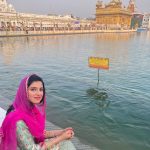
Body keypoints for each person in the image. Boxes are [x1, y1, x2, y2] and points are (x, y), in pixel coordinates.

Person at [0, 74, 76, 150]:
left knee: (65, 142)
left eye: (41, 89)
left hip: (35, 145)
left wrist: (62, 132)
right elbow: (32, 148)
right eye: (33, 89)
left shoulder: (29, 110)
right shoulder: (17, 121)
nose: (38, 93)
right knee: (65, 144)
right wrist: (61, 137)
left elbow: (41, 134)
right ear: (24, 91)